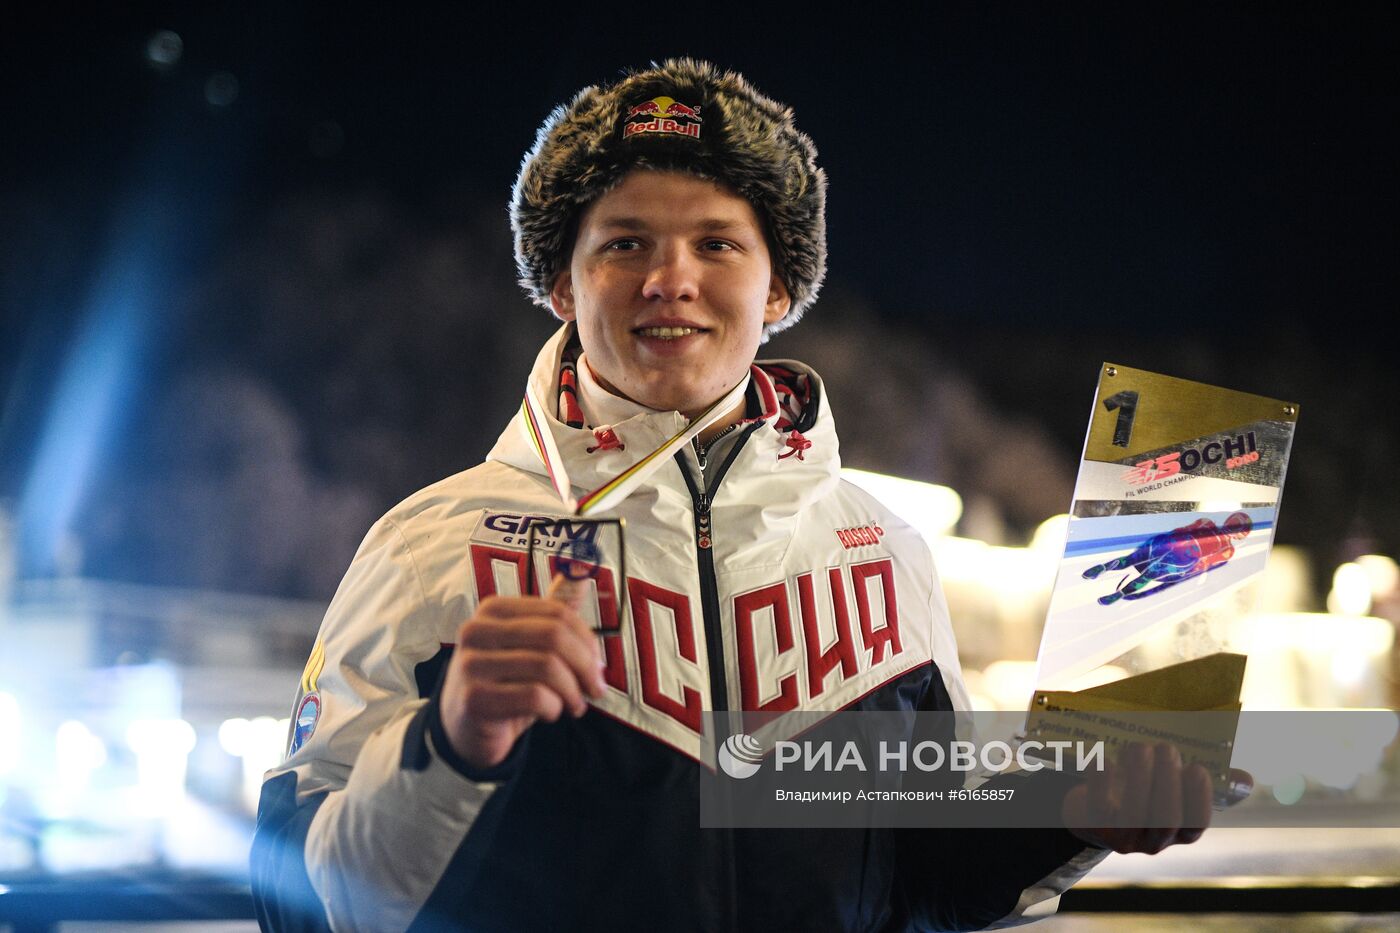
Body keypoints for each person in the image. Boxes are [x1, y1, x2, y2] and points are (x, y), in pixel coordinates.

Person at [251, 59, 1225, 932]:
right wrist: (445, 748)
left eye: (716, 244)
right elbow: (293, 903)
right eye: (624, 244)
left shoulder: (885, 550)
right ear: (561, 286)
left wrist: (1067, 816)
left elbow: (923, 880)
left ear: (777, 290)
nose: (669, 279)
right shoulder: (427, 544)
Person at [1083, 512, 1253, 605]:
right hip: (1181, 555)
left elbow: (1181, 532)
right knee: (1145, 571)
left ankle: (1108, 575)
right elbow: (1203, 562)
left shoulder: (1210, 527)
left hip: (1174, 549)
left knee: (1135, 561)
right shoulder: (1223, 544)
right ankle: (1117, 591)